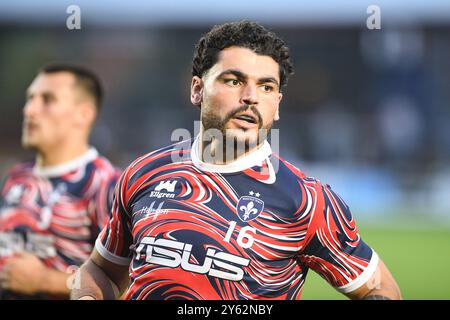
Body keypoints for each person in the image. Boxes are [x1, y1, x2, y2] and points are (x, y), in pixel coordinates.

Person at [71, 21, 401, 300]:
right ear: (197, 89)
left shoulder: (307, 201)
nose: (251, 97)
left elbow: (380, 289)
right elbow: (102, 269)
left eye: (266, 87)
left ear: (278, 104)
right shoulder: (145, 173)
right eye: (234, 81)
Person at [0, 64, 120, 299]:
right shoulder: (16, 178)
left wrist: (45, 281)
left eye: (47, 100)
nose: (30, 110)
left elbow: (126, 282)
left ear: (84, 114)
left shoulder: (107, 185)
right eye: (30, 98)